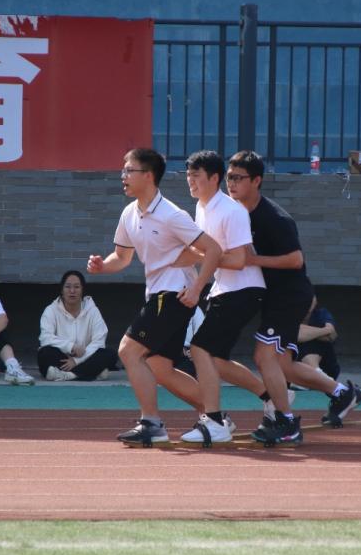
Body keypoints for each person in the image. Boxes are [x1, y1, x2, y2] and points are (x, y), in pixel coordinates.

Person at [226, 150, 361, 443]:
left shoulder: (275, 218)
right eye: (229, 177)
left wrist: (252, 260)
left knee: (263, 356)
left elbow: (295, 260)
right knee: (284, 364)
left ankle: (286, 422)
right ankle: (342, 393)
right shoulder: (237, 213)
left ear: (256, 181)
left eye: (238, 178)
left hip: (288, 297)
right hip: (274, 297)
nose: (231, 183)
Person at [87, 147, 222, 445]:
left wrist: (197, 288)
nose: (123, 176)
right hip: (157, 296)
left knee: (128, 351)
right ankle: (215, 417)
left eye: (129, 170)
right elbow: (121, 258)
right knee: (160, 367)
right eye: (123, 170)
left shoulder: (172, 215)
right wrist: (102, 266)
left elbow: (213, 249)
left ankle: (151, 423)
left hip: (172, 295)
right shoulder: (129, 213)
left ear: (148, 176)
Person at [173, 150, 272, 445]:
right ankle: (272, 398)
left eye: (196, 176)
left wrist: (201, 261)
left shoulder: (232, 211)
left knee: (199, 348)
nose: (190, 181)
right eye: (188, 176)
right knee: (215, 359)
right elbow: (202, 253)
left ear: (214, 178)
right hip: (223, 290)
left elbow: (239, 260)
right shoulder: (201, 207)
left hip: (244, 290)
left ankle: (215, 421)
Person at [38, 270, 118, 382]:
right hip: (62, 357)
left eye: (76, 287)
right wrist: (71, 347)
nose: (72, 291)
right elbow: (45, 338)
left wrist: (76, 361)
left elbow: (99, 341)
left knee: (110, 354)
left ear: (82, 290)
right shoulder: (51, 310)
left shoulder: (92, 310)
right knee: (44, 353)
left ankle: (69, 375)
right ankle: (91, 372)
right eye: (68, 287)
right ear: (62, 290)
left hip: (86, 357)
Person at [297, 296, 341, 382]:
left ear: (315, 301)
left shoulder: (321, 313)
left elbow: (332, 335)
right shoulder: (289, 314)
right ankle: (318, 375)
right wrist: (324, 331)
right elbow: (296, 335)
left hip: (327, 367)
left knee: (314, 341)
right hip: (295, 367)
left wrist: (306, 332)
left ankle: (319, 376)